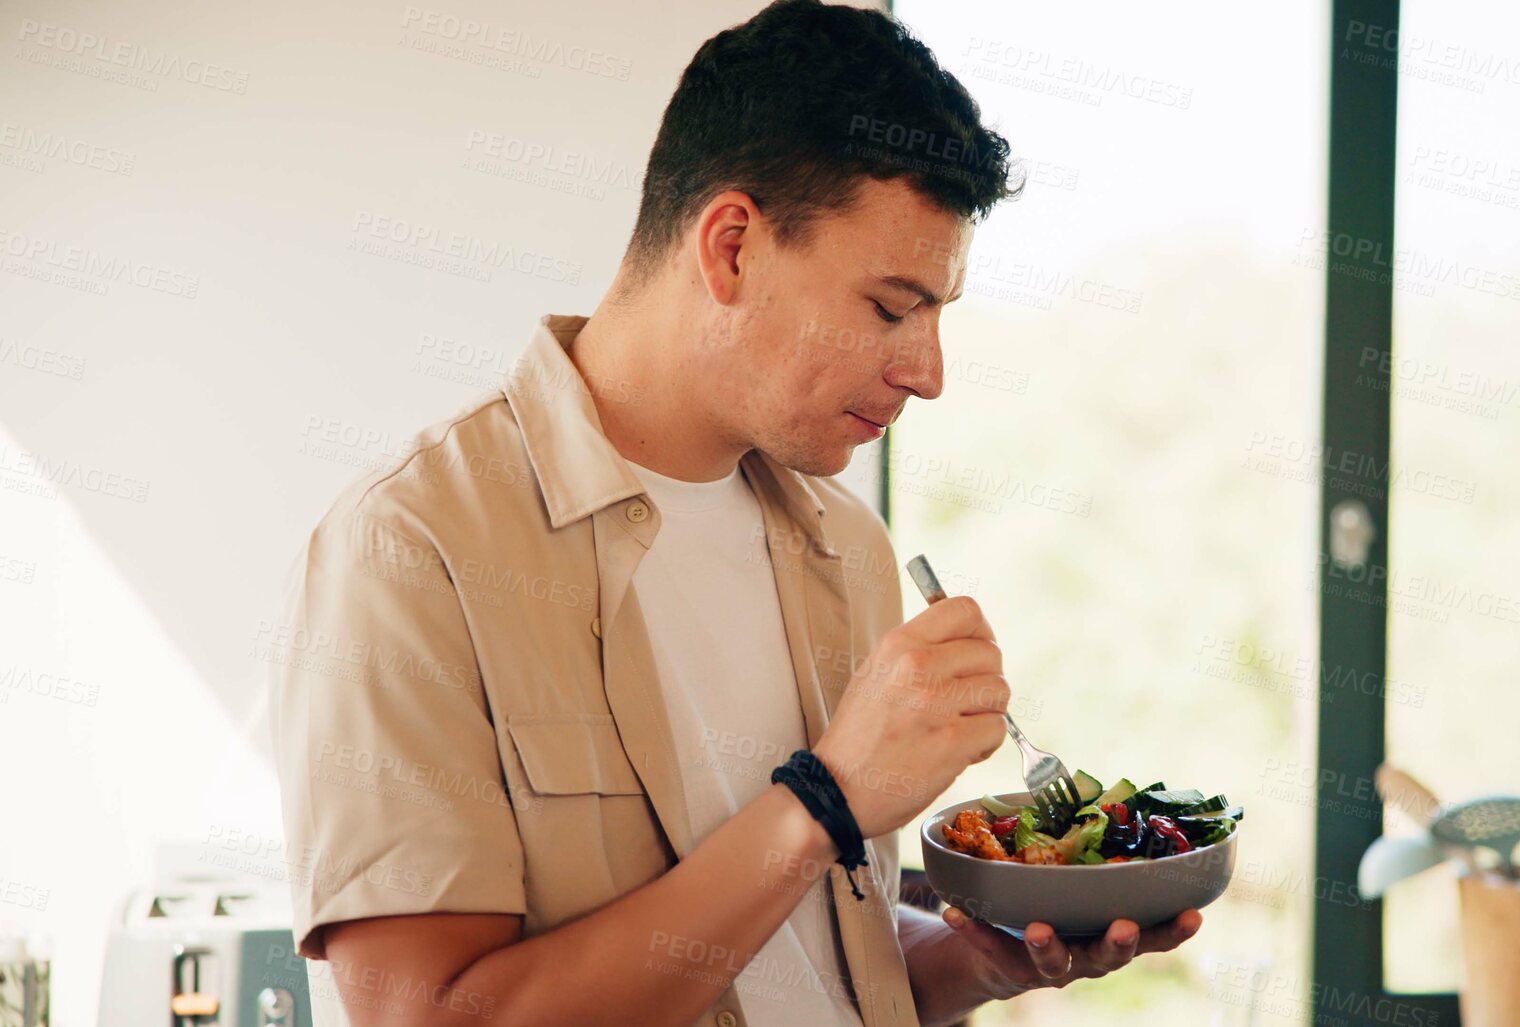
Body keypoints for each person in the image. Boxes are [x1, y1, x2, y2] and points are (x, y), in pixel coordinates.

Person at [268, 2, 1200, 1024]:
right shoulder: (411, 550)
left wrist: (981, 961)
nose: (928, 372)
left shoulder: (847, 547)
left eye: (937, 314)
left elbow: (804, 957)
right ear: (733, 247)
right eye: (891, 307)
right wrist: (824, 800)